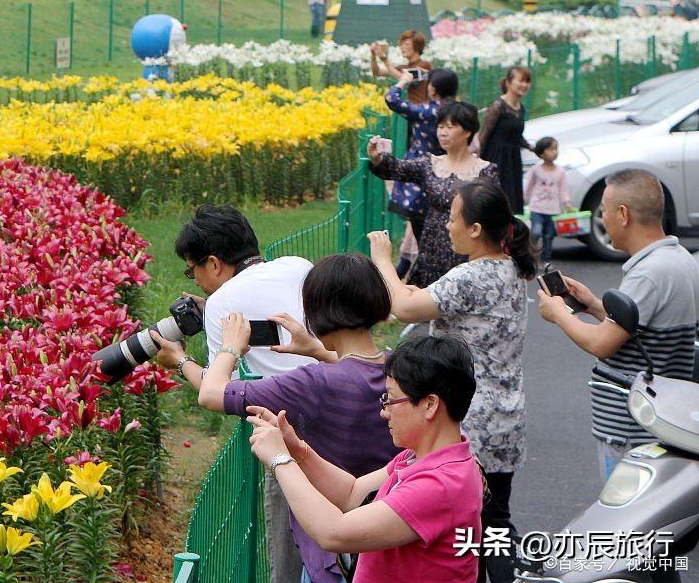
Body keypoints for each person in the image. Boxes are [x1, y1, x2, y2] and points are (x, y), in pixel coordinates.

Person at [158, 254, 396, 583]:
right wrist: (316, 349)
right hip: (393, 535)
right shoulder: (402, 368)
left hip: (334, 557)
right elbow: (360, 364)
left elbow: (211, 394)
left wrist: (224, 350)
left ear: (315, 313)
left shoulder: (313, 383)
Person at [366, 180, 535, 583]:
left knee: (471, 540)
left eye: (454, 219)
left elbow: (406, 307)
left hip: (471, 421)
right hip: (506, 420)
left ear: (476, 229)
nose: (447, 226)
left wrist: (383, 260)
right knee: (493, 528)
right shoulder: (510, 268)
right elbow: (425, 299)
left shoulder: (471, 275)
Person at [244, 335, 483, 583]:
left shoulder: (440, 484)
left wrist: (281, 460)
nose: (384, 411)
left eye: (391, 399)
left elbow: (333, 533)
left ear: (430, 405)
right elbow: (352, 494)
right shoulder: (421, 457)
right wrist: (297, 450)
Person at [168, 204, 313, 583]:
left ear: (213, 264)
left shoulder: (221, 304)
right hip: (339, 405)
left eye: (193, 269)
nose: (195, 280)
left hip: (291, 434)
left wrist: (180, 360)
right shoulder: (298, 265)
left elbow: (218, 389)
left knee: (290, 554)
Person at [537, 169, 699, 480]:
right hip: (661, 419)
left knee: (624, 523)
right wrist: (595, 306)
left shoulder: (649, 273)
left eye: (605, 212)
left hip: (632, 428)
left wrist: (559, 313)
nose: (604, 219)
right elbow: (641, 331)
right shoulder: (680, 258)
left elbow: (602, 343)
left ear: (623, 214)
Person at [367, 101, 497, 287]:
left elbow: (493, 216)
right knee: (427, 305)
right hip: (431, 248)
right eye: (440, 126)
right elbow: (396, 168)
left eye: (450, 127)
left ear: (468, 131)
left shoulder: (485, 171)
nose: (442, 132)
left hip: (468, 250)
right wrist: (377, 157)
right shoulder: (430, 164)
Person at [381, 68, 459, 242]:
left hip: (421, 172)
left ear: (433, 88)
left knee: (421, 229)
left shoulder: (427, 111)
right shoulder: (458, 111)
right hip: (450, 170)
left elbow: (391, 99)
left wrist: (403, 81)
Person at [478, 67, 533, 212]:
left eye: (527, 81)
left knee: (511, 202)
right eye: (520, 81)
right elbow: (484, 135)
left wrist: (532, 148)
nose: (525, 85)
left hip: (513, 159)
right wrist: (478, 163)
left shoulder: (521, 108)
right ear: (508, 83)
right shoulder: (498, 105)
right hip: (496, 159)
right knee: (495, 201)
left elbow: (516, 136)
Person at [523, 137, 571, 266]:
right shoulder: (536, 170)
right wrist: (524, 199)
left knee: (549, 236)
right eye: (551, 149)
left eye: (556, 149)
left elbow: (563, 189)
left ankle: (546, 259)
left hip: (553, 209)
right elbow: (530, 185)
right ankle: (531, 256)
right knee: (536, 232)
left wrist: (566, 203)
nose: (555, 152)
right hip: (537, 207)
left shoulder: (560, 171)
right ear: (541, 153)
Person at [369, 31, 432, 106]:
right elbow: (377, 72)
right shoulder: (404, 67)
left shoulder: (424, 65)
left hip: (419, 111)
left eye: (406, 44)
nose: (402, 47)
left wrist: (385, 61)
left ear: (417, 45)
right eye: (401, 44)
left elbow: (406, 79)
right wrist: (373, 57)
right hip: (408, 111)